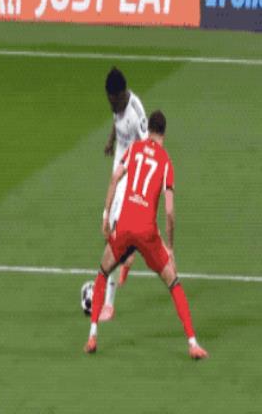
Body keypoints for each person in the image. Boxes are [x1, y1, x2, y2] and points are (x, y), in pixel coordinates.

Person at [84, 111, 208, 359]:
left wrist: (106, 216)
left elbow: (115, 177)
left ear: (148, 128)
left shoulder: (134, 149)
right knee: (173, 283)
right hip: (147, 232)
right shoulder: (166, 162)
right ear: (164, 133)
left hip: (124, 225)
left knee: (102, 272)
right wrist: (170, 247)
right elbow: (169, 210)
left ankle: (92, 336)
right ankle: (193, 343)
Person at [100, 67, 148, 321]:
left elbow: (150, 145)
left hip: (132, 173)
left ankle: (109, 303)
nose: (112, 106)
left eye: (114, 101)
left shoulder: (136, 112)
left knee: (113, 232)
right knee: (111, 228)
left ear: (122, 95)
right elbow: (116, 122)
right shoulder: (117, 106)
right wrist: (111, 140)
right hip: (118, 168)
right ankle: (129, 254)